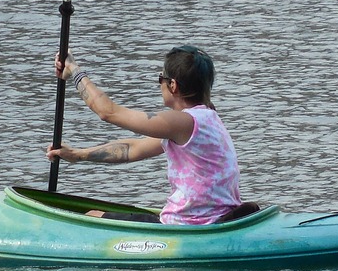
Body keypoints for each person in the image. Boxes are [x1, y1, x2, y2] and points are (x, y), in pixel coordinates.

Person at [46, 45, 252, 225]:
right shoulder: (207, 119)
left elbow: (107, 111)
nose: (159, 83)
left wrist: (74, 69)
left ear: (173, 86)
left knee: (91, 217)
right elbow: (134, 149)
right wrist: (78, 155)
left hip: (189, 225)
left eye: (160, 78)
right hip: (218, 217)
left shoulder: (183, 122)